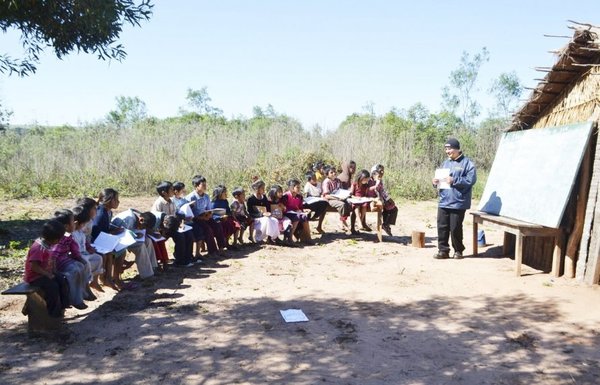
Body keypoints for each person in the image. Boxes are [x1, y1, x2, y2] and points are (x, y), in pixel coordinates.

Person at [432, 138, 477, 259]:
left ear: (458, 149)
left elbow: (471, 180)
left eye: (450, 148)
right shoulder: (445, 163)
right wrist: (435, 181)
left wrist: (454, 180)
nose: (447, 151)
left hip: (458, 202)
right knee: (442, 227)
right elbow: (440, 180)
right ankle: (443, 251)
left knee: (455, 227)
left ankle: (458, 251)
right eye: (446, 149)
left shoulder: (468, 163)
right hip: (444, 200)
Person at [23, 220, 68, 318]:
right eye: (59, 239)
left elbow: (51, 259)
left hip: (46, 273)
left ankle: (64, 305)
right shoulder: (38, 248)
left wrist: (54, 272)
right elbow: (34, 267)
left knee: (62, 280)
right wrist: (48, 274)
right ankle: (53, 313)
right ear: (53, 239)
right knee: (53, 287)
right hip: (35, 277)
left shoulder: (49, 244)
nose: (60, 241)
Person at [53, 209, 90, 309]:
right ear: (66, 226)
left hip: (66, 260)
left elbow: (74, 249)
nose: (75, 223)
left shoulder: (68, 236)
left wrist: (79, 258)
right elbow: (53, 256)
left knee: (81, 266)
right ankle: (75, 300)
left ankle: (83, 293)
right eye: (72, 222)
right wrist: (54, 271)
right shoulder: (58, 238)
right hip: (58, 264)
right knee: (75, 270)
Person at [185, 174, 227, 259]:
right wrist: (201, 217)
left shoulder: (206, 196)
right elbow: (188, 213)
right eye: (203, 185)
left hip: (206, 216)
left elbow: (209, 209)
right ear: (196, 186)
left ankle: (221, 248)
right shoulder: (190, 197)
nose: (205, 186)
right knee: (208, 229)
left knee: (217, 225)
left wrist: (209, 215)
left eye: (205, 184)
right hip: (196, 219)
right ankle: (212, 251)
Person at [91, 188, 125, 290]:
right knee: (109, 253)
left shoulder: (108, 211)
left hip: (103, 239)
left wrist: (114, 230)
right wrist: (113, 233)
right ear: (109, 200)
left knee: (121, 250)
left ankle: (114, 278)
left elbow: (105, 227)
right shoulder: (101, 213)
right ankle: (107, 279)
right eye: (116, 199)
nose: (118, 202)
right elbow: (96, 232)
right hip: (95, 241)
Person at [111, 208, 158, 279]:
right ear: (141, 220)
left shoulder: (137, 217)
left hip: (127, 237)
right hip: (117, 241)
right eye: (143, 227)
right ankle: (147, 275)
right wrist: (134, 235)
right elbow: (122, 235)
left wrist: (136, 234)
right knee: (140, 246)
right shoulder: (128, 220)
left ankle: (152, 267)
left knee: (148, 240)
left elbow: (129, 230)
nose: (142, 229)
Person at [71, 205, 104, 293]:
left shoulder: (80, 231)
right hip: (77, 255)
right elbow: (73, 251)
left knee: (98, 258)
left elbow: (85, 242)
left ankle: (94, 281)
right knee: (86, 263)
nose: (84, 225)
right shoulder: (72, 234)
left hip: (85, 252)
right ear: (77, 223)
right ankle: (86, 284)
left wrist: (89, 248)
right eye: (83, 224)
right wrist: (80, 257)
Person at [247, 179, 280, 243]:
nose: (264, 190)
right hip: (256, 217)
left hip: (264, 216)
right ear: (257, 189)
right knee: (266, 220)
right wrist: (261, 214)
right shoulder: (251, 199)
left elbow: (267, 207)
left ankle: (272, 237)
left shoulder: (264, 197)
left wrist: (268, 213)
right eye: (262, 188)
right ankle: (259, 238)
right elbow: (250, 212)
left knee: (274, 220)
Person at [370, 164, 398, 236]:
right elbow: (373, 191)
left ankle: (386, 224)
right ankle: (386, 224)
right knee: (390, 207)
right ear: (374, 172)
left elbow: (383, 191)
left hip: (381, 197)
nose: (382, 173)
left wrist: (388, 198)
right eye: (380, 171)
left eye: (383, 171)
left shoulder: (379, 180)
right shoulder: (371, 180)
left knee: (393, 208)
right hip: (374, 198)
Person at [282, 178, 313, 243]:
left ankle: (308, 237)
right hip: (287, 213)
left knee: (305, 217)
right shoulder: (286, 196)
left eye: (299, 187)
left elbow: (300, 207)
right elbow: (283, 208)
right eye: (297, 187)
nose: (299, 189)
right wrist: (294, 211)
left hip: (296, 213)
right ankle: (289, 237)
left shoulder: (299, 197)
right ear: (292, 188)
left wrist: (304, 210)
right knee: (297, 217)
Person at [321, 165, 351, 231]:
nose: (334, 173)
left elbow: (341, 190)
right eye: (331, 172)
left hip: (339, 197)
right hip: (329, 199)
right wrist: (337, 198)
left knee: (349, 203)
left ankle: (344, 221)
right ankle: (344, 222)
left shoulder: (338, 181)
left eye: (334, 172)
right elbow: (326, 195)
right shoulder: (326, 182)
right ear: (327, 174)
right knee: (341, 204)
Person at [211, 184, 241, 248]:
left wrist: (230, 214)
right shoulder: (214, 203)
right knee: (225, 225)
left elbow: (228, 210)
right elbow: (212, 214)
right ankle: (224, 243)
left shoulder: (225, 201)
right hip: (217, 220)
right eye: (224, 192)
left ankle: (232, 243)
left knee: (236, 224)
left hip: (226, 217)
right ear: (219, 194)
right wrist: (220, 217)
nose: (226, 194)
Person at [350, 169, 373, 234]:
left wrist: (365, 197)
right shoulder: (354, 184)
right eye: (365, 179)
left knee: (365, 205)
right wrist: (355, 197)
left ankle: (361, 220)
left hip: (363, 200)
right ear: (360, 178)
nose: (366, 181)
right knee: (356, 206)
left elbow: (366, 194)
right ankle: (359, 221)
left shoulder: (366, 185)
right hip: (355, 200)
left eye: (367, 179)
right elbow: (351, 194)